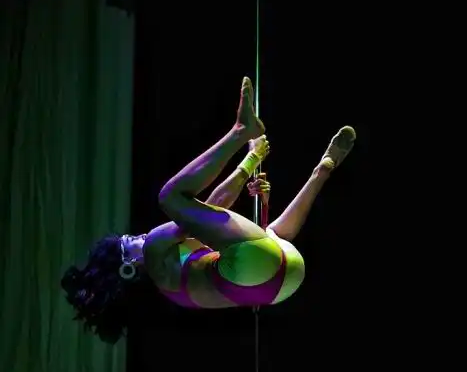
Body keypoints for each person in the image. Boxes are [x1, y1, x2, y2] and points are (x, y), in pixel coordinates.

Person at [61, 77, 356, 344]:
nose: (139, 236)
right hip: (254, 267)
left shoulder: (173, 283)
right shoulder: (154, 250)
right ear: (129, 267)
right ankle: (240, 130)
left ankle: (322, 171)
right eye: (130, 241)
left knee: (273, 233)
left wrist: (252, 166)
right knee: (169, 198)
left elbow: (211, 213)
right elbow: (211, 208)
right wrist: (249, 156)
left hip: (283, 282)